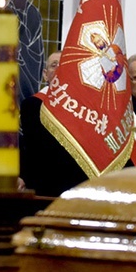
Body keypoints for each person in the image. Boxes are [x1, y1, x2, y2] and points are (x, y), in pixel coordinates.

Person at [18, 49, 87, 195]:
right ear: (45, 74)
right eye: (54, 65)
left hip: (78, 184)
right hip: (44, 183)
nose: (60, 68)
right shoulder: (32, 105)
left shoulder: (85, 109)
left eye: (65, 65)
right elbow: (32, 147)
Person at [6, 0, 45, 105]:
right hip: (11, 60)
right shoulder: (7, 10)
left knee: (27, 94)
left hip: (31, 60)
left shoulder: (33, 12)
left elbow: (31, 39)